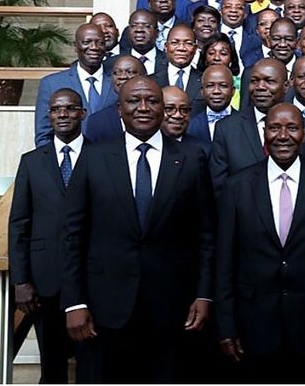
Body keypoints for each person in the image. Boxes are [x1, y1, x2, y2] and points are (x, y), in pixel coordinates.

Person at [61, 76, 215, 383]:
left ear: (162, 108)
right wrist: (74, 302)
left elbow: (206, 234)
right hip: (105, 308)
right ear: (119, 109)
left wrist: (204, 294)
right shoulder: (93, 157)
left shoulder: (190, 158)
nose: (143, 107)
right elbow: (72, 234)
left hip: (172, 307)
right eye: (134, 101)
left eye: (152, 101)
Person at [214, 102, 305, 383]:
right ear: (264, 133)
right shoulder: (237, 186)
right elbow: (225, 260)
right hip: (253, 325)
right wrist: (226, 326)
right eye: (274, 128)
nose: (283, 136)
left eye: (292, 128)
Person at [10, 88, 87, 383]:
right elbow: (19, 223)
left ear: (82, 113)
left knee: (91, 367)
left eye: (69, 108)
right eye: (56, 110)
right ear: (49, 116)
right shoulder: (31, 162)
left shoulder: (101, 155)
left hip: (90, 280)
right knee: (52, 369)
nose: (62, 114)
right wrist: (21, 280)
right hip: (45, 283)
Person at [209, 58, 305, 196]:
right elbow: (219, 188)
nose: (260, 87)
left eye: (269, 81)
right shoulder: (226, 129)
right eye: (254, 81)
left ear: (286, 86)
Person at [35, 23, 117, 147]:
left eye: (100, 43)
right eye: (87, 42)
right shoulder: (51, 84)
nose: (94, 47)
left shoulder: (118, 82)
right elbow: (44, 135)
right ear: (75, 46)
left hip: (111, 156)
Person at [84, 55, 146, 143]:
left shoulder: (157, 112)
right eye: (116, 73)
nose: (122, 76)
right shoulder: (97, 120)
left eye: (130, 72)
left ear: (145, 77)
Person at [151, 24, 203, 114]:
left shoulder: (204, 81)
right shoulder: (151, 82)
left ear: (195, 49)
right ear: (166, 47)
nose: (181, 48)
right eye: (175, 43)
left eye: (188, 43)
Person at [186, 64, 236, 150]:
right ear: (202, 91)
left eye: (223, 86)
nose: (216, 91)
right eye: (210, 86)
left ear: (233, 91)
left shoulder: (246, 125)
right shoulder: (191, 126)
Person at [110, 9, 168, 76]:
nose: (139, 30)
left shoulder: (169, 62)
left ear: (157, 33)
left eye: (147, 26)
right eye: (134, 26)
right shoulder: (111, 63)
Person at [196, 34, 242, 110]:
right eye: (211, 53)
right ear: (204, 58)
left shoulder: (242, 84)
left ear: (231, 59)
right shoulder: (194, 81)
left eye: (223, 53)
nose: (216, 58)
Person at [219, 0, 263, 73]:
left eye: (239, 8)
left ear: (245, 14)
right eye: (228, 7)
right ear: (220, 12)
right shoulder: (211, 36)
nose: (233, 10)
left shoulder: (256, 41)